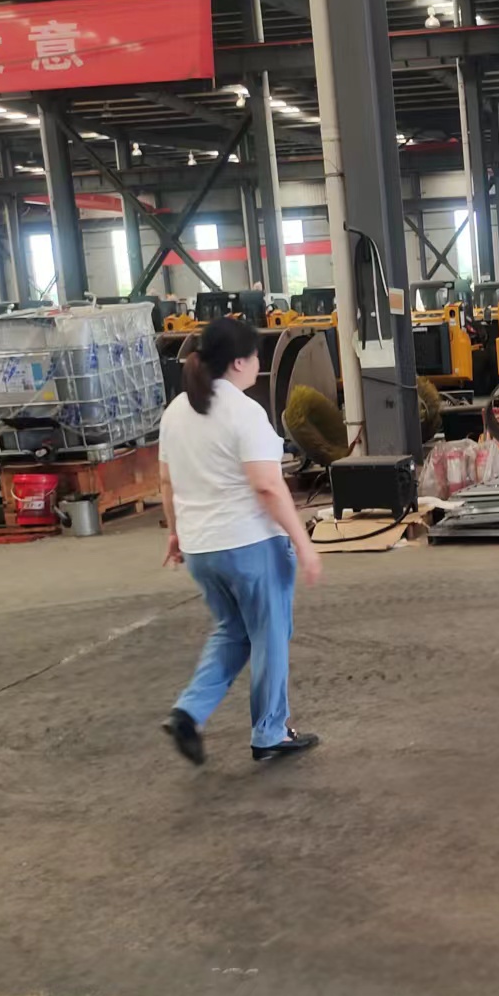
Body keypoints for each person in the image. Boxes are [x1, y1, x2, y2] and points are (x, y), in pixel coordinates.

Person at [159, 317, 323, 767]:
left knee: (233, 631)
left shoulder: (176, 412)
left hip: (201, 549)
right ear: (237, 362)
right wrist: (303, 542)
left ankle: (188, 713)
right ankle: (270, 731)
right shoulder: (245, 413)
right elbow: (267, 486)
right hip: (250, 544)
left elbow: (167, 482)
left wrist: (175, 532)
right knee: (269, 635)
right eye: (254, 357)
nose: (257, 365)